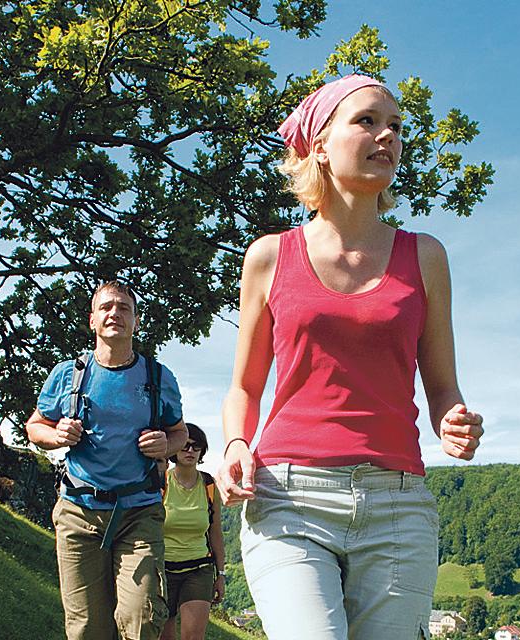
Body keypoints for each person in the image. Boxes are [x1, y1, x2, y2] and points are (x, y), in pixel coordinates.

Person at [215, 74, 485, 640]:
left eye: (395, 127)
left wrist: (453, 421)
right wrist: (238, 444)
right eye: (367, 120)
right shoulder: (269, 257)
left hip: (397, 505)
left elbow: (441, 385)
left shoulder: (426, 255)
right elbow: (244, 387)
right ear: (319, 143)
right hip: (289, 499)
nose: (387, 135)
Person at [26, 280, 188, 640]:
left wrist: (166, 444)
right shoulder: (68, 375)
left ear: (136, 322)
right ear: (93, 321)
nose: (115, 313)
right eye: (106, 307)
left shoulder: (158, 377)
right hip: (78, 513)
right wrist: (56, 436)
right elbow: (35, 426)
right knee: (87, 629)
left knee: (142, 617)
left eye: (124, 308)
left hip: (139, 513)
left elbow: (180, 434)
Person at [160, 423, 226, 640]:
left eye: (196, 447)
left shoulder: (209, 485)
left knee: (193, 637)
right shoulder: (162, 482)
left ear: (202, 452)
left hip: (199, 569)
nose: (190, 451)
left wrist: (221, 574)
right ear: (175, 449)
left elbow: (215, 532)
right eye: (185, 446)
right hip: (162, 570)